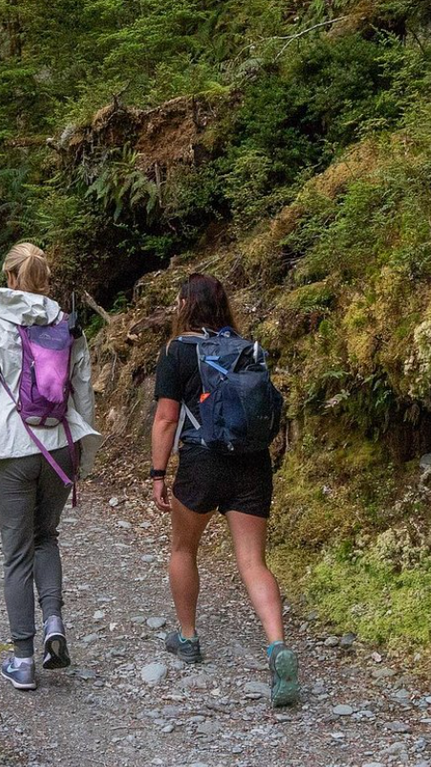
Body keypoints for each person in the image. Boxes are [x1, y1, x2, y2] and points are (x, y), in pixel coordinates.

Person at [0, 243, 101, 692]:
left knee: (16, 551)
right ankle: (54, 622)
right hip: (60, 445)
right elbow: (83, 390)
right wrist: (85, 454)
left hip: (12, 449)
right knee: (46, 537)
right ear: (46, 280)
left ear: (9, 276)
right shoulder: (67, 323)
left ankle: (22, 660)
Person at [150, 272, 299, 707]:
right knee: (253, 561)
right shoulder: (246, 349)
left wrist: (158, 473)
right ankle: (277, 645)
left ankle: (188, 638)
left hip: (202, 462)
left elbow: (166, 418)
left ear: (185, 306)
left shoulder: (178, 351)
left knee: (183, 549)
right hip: (252, 462)